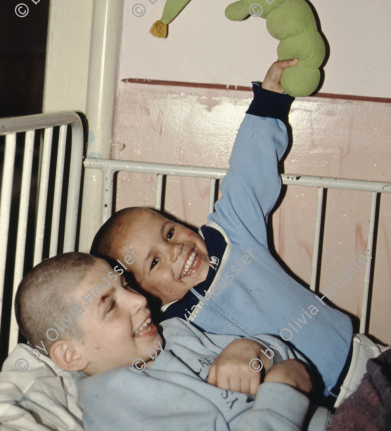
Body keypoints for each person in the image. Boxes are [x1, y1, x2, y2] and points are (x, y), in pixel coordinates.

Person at [90, 59, 353, 403]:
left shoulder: (229, 235)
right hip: (307, 413)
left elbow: (248, 172)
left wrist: (270, 100)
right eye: (154, 263)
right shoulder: (173, 335)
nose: (175, 251)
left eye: (168, 233)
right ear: (142, 293)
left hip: (359, 362)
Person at [14, 251, 331, 431]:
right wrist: (284, 390)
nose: (138, 300)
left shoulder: (175, 332)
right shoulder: (111, 400)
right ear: (71, 354)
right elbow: (289, 382)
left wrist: (257, 350)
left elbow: (287, 359)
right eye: (110, 305)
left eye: (126, 286)